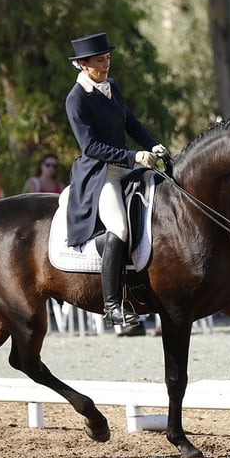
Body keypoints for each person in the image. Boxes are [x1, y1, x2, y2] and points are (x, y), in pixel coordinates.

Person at [64, 32, 166, 327]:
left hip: (126, 166)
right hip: (100, 173)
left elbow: (131, 122)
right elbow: (90, 147)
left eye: (107, 58)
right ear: (83, 64)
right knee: (120, 227)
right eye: (99, 60)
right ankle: (112, 305)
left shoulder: (112, 87)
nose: (106, 64)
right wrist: (134, 157)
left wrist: (152, 145)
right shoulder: (76, 99)